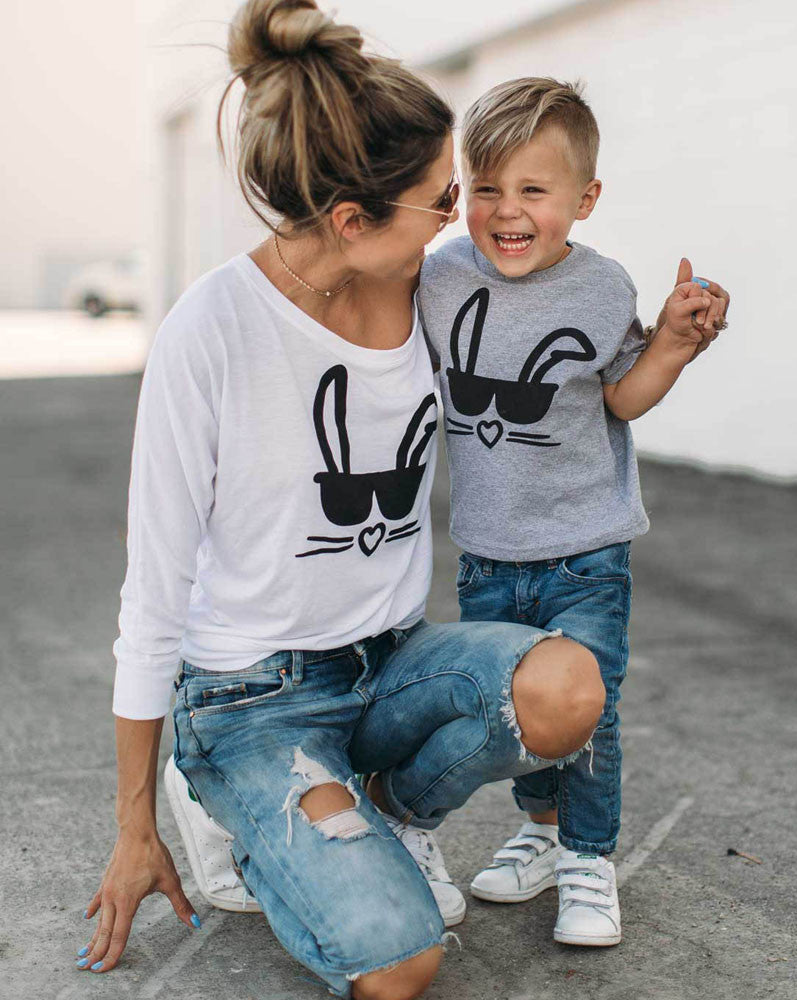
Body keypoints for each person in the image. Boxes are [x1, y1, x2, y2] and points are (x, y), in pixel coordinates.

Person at [76, 6, 613, 998]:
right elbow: (151, 589)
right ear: (352, 221)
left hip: (389, 665)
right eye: (439, 199)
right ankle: (244, 819)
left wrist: (656, 347)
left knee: (567, 688)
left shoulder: (434, 286)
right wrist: (133, 826)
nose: (460, 215)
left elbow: (558, 344)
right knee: (401, 962)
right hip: (251, 700)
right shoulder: (214, 330)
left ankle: (378, 807)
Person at [416, 77, 730, 948]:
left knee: (588, 707)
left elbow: (623, 400)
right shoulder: (436, 280)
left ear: (584, 199)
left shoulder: (600, 288)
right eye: (487, 188)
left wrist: (672, 340)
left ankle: (589, 857)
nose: (507, 211)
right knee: (516, 711)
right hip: (487, 552)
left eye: (533, 191)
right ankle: (542, 832)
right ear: (459, 192)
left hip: (586, 551)